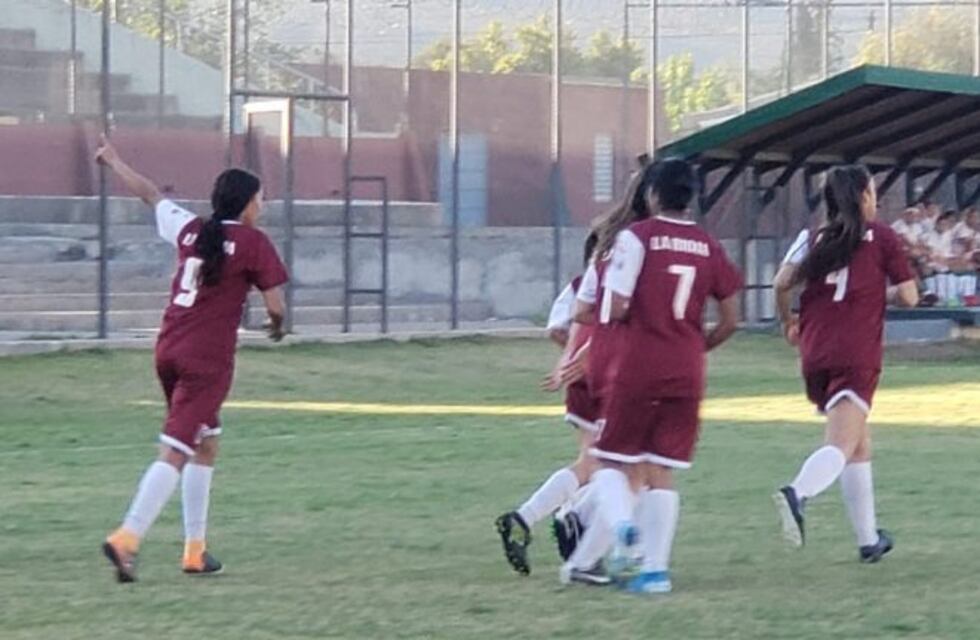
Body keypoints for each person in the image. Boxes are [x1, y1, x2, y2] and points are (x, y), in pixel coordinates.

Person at [95, 137, 289, 583]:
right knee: (177, 450)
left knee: (206, 442)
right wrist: (277, 328)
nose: (262, 205)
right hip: (206, 360)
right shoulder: (254, 242)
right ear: (245, 205)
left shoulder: (190, 228)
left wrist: (113, 160)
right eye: (260, 198)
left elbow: (149, 194)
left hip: (168, 348)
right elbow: (276, 307)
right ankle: (127, 538)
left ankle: (195, 551)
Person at [560, 158, 742, 594]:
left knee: (607, 459)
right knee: (662, 470)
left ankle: (624, 528)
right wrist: (697, 346)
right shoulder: (708, 244)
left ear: (652, 194)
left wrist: (603, 310)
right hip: (687, 369)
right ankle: (655, 574)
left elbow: (617, 306)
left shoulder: (635, 238)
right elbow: (731, 318)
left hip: (637, 366)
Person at [493, 163, 653, 580]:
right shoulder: (636, 251)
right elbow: (602, 315)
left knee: (598, 464)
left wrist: (571, 357)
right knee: (622, 470)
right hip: (608, 372)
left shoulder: (608, 248)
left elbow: (569, 319)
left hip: (590, 370)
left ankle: (544, 522)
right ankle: (562, 527)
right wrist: (587, 356)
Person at [772, 165, 918, 564]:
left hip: (816, 350)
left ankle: (869, 540)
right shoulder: (883, 237)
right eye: (872, 193)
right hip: (857, 352)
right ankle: (797, 493)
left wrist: (788, 321)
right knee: (840, 444)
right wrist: (874, 292)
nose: (876, 200)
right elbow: (910, 297)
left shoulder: (812, 237)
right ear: (862, 198)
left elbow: (781, 284)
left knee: (858, 444)